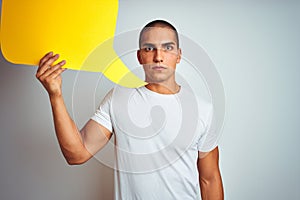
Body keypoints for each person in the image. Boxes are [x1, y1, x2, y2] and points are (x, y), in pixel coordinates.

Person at [36, 19, 224, 200]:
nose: (158, 57)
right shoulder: (118, 99)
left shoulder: (202, 110)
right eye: (149, 48)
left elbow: (210, 179)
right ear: (139, 56)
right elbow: (76, 154)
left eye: (168, 48)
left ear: (179, 55)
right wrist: (55, 95)